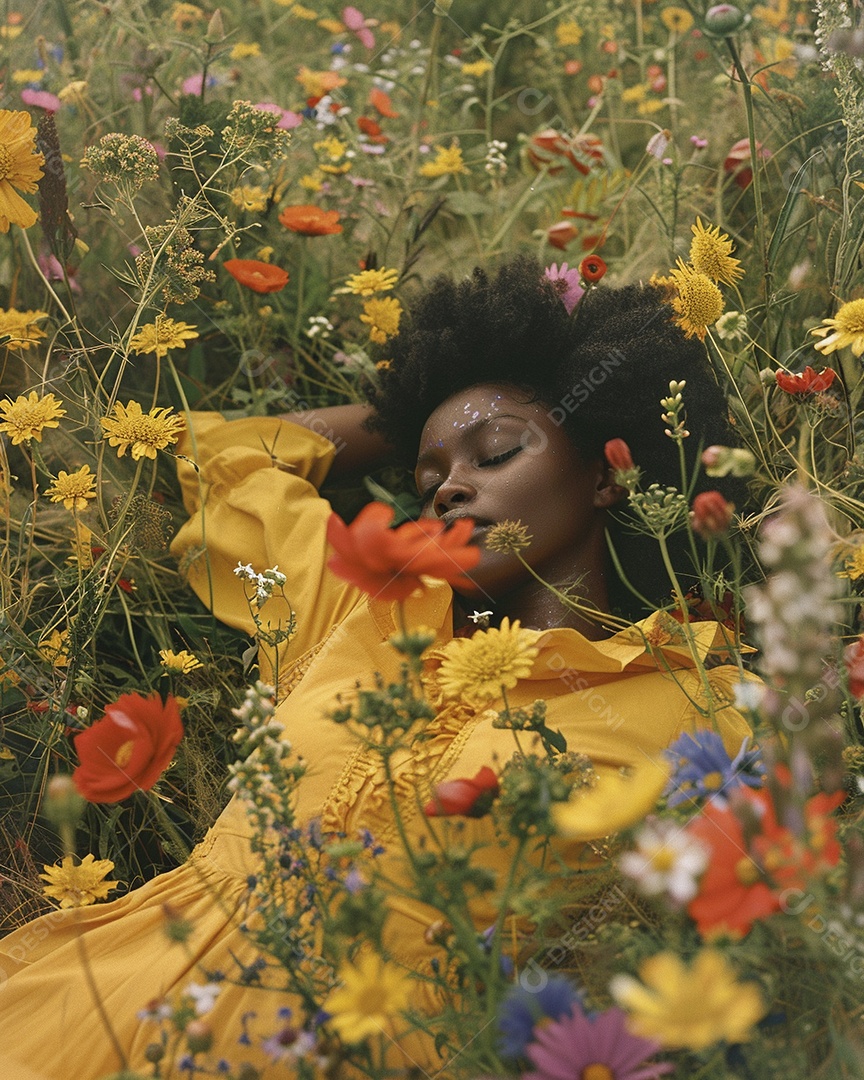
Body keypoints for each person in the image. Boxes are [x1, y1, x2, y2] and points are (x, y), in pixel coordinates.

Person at [0, 258, 751, 1079]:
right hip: (99, 1015)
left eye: (495, 451)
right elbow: (228, 458)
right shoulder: (357, 610)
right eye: (427, 482)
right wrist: (408, 418)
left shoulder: (685, 700)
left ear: (608, 472)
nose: (450, 490)